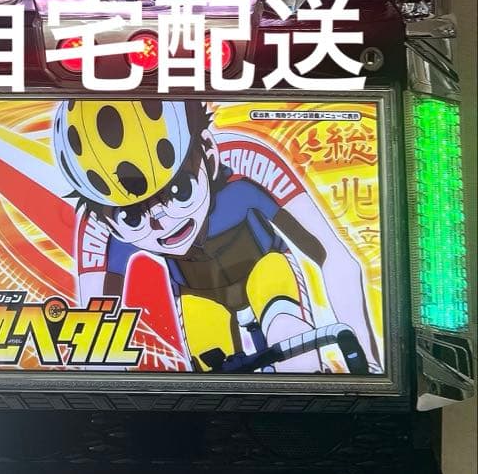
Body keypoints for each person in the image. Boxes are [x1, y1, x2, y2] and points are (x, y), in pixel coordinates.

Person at [53, 97, 381, 372]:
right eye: (133, 216)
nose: (162, 222)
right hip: (199, 294)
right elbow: (94, 335)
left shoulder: (245, 161)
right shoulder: (99, 224)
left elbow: (335, 258)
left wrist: (368, 364)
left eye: (180, 190)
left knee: (289, 333)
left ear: (208, 154)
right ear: (109, 222)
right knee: (211, 363)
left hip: (265, 268)